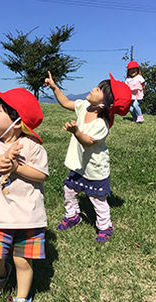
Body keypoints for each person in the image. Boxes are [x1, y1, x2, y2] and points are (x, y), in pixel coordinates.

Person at [0, 88, 48, 302]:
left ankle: (21, 298)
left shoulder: (33, 147)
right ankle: (0, 274)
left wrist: (17, 168)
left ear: (17, 122)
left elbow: (42, 175)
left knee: (23, 260)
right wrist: (2, 159)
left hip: (29, 216)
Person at [45, 71, 131, 242]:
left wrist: (76, 131)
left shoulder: (101, 123)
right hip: (80, 164)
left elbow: (87, 142)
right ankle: (72, 216)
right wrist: (54, 88)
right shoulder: (85, 106)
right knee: (69, 189)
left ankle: (105, 227)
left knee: (97, 199)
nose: (93, 88)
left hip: (95, 167)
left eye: (99, 89)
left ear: (106, 104)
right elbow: (66, 102)